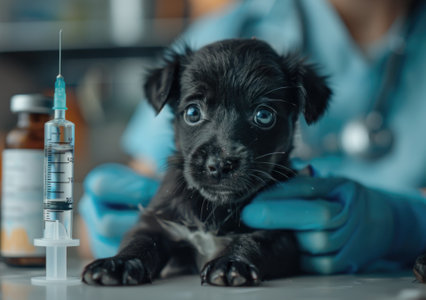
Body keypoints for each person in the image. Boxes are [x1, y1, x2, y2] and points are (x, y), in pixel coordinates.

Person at [78, 0, 426, 275]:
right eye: (194, 113)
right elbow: (113, 214)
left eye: (263, 115)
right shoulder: (227, 28)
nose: (221, 153)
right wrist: (128, 240)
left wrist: (406, 222)